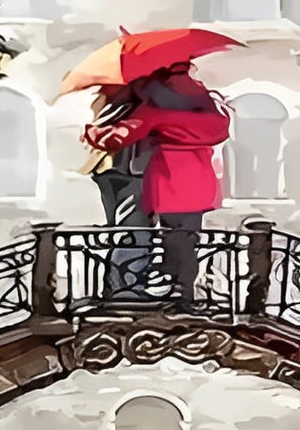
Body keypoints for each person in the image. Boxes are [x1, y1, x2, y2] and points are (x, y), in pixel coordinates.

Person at [83, 64, 231, 305]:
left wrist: (94, 134)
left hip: (159, 178)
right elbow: (220, 130)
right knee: (184, 240)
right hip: (196, 183)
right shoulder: (208, 105)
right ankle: (182, 294)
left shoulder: (154, 109)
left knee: (137, 233)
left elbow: (121, 135)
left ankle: (128, 293)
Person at [80, 84, 154, 297]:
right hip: (131, 169)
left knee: (121, 228)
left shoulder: (106, 98)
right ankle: (126, 288)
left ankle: (117, 284)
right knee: (134, 228)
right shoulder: (144, 100)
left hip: (107, 169)